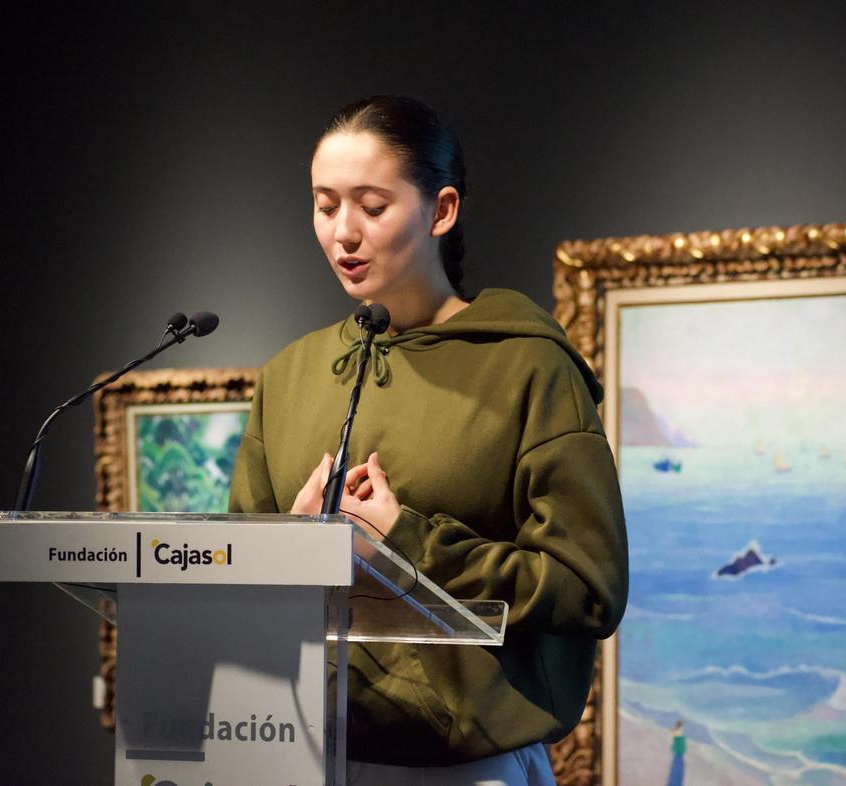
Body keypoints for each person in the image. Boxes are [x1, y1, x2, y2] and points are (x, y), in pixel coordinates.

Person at [228, 95, 629, 786]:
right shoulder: (289, 375)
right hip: (298, 753)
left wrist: (406, 540)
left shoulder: (527, 367)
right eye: (326, 206)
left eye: (371, 206)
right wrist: (288, 546)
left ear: (441, 211)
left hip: (465, 766)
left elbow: (587, 587)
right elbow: (232, 581)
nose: (342, 233)